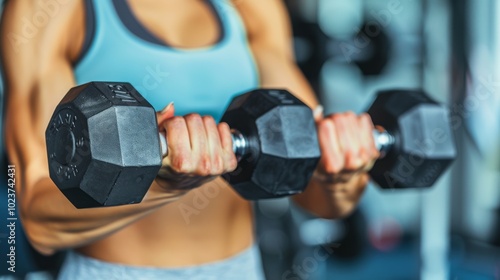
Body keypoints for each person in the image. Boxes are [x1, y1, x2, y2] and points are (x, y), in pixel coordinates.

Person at [1, 0, 379, 279]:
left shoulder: (253, 8)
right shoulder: (49, 10)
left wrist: (341, 173)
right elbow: (38, 220)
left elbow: (315, 193)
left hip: (241, 269)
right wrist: (164, 184)